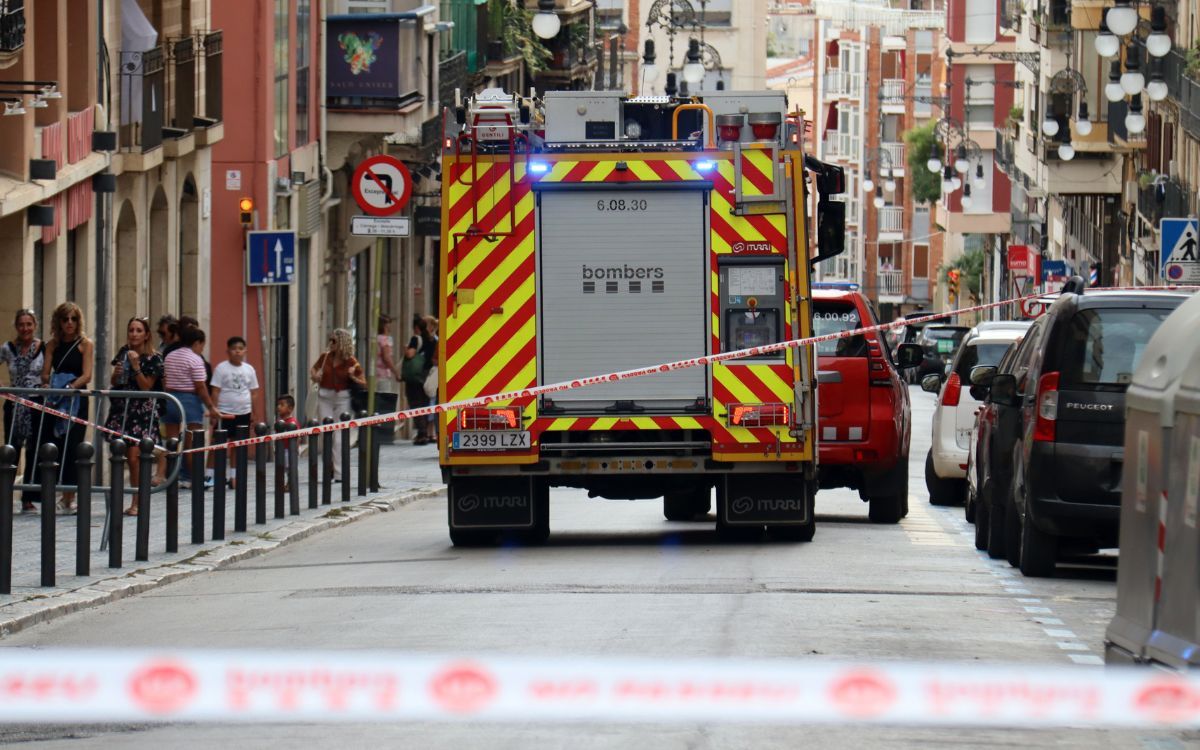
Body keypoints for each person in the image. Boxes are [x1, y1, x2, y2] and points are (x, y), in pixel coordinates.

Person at [105, 316, 165, 514]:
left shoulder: (154, 358)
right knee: (123, 456)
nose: (134, 334)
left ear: (146, 335)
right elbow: (116, 382)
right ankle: (129, 499)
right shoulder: (123, 353)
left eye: (139, 330)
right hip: (123, 411)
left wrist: (136, 366)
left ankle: (137, 502)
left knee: (134, 457)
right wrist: (118, 373)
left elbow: (147, 386)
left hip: (143, 413)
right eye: (131, 330)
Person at [40, 302, 94, 515]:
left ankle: (69, 496)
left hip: (76, 400)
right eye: (65, 319)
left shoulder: (85, 344)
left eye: (73, 319)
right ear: (58, 322)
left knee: (74, 446)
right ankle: (58, 492)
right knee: (56, 446)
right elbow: (45, 372)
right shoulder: (52, 345)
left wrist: (70, 387)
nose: (69, 323)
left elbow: (87, 374)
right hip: (57, 401)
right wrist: (48, 383)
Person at [162, 326, 219, 489]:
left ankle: (172, 477)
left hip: (170, 398)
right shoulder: (196, 359)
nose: (202, 348)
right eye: (202, 344)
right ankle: (193, 477)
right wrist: (211, 406)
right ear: (196, 342)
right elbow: (200, 386)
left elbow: (165, 379)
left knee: (171, 442)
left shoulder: (170, 356)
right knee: (193, 443)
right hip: (190, 400)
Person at [0, 309, 44, 513]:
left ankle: (28, 498)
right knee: (11, 450)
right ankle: (6, 495)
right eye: (21, 325)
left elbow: (49, 371)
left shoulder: (43, 347)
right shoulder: (8, 348)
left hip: (35, 404)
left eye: (29, 324)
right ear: (16, 327)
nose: (25, 328)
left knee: (34, 450)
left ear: (34, 325)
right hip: (14, 404)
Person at [310, 329, 364, 481]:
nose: (330, 343)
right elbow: (313, 369)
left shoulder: (351, 361)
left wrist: (353, 375)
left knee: (339, 438)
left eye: (334, 341)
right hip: (324, 397)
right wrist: (315, 375)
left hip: (343, 399)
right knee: (326, 434)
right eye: (330, 340)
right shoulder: (325, 357)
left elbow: (363, 383)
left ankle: (340, 473)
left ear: (342, 343)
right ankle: (328, 469)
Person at [210, 335, 259, 449]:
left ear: (245, 351)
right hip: (224, 413)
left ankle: (234, 467)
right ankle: (211, 467)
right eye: (234, 348)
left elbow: (254, 393)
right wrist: (213, 411)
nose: (237, 351)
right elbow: (215, 391)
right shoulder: (221, 368)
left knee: (238, 443)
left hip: (244, 412)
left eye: (240, 348)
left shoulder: (249, 369)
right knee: (217, 443)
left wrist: (254, 414)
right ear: (228, 351)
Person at [403, 316, 436, 444]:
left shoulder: (416, 339)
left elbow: (410, 354)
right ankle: (427, 432)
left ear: (416, 328)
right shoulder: (432, 339)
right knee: (425, 404)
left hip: (415, 377)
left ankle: (421, 433)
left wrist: (405, 349)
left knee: (415, 404)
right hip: (427, 376)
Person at [374, 314, 402, 420]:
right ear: (385, 326)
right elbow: (387, 358)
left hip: (376, 374)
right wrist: (396, 372)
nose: (390, 327)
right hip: (383, 375)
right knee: (384, 403)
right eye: (389, 324)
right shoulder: (385, 340)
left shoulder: (376, 338)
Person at [276, 394, 299, 491]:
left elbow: (297, 438)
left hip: (289, 449)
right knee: (283, 468)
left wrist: (295, 450)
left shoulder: (292, 422)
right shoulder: (279, 422)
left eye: (282, 405)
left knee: (290, 468)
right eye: (278, 405)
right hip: (281, 449)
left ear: (290, 408)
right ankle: (284, 484)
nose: (278, 407)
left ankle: (291, 484)